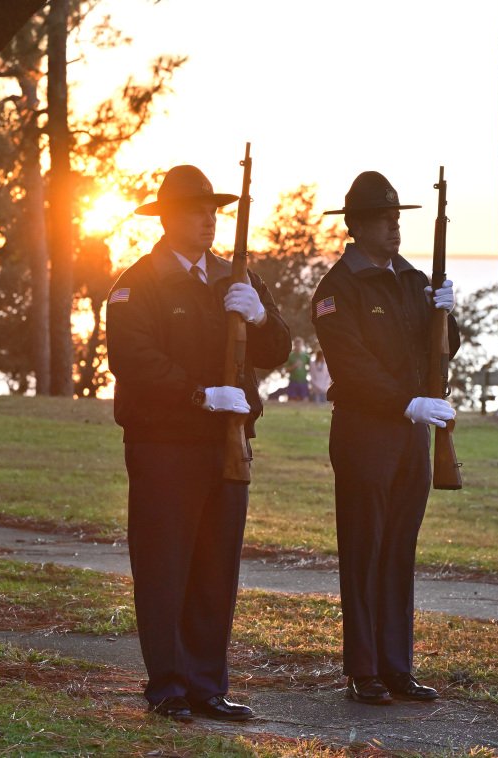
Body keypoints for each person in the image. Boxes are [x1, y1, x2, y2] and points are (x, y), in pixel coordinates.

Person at [105, 164, 290, 721]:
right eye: (196, 209)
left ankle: (208, 684)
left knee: (216, 566)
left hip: (227, 443)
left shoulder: (238, 278)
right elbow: (133, 361)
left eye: (214, 209)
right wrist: (199, 395)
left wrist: (258, 317)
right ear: (167, 218)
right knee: (165, 565)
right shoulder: (139, 283)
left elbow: (277, 349)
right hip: (165, 443)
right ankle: (167, 683)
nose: (209, 218)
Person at [311, 170, 458, 705]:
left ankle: (398, 665)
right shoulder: (337, 289)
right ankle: (363, 669)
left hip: (409, 435)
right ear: (356, 226)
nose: (394, 229)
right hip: (365, 431)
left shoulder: (411, 278)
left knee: (399, 550)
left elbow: (443, 348)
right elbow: (352, 367)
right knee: (364, 549)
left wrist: (445, 307)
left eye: (397, 218)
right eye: (383, 219)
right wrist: (405, 400)